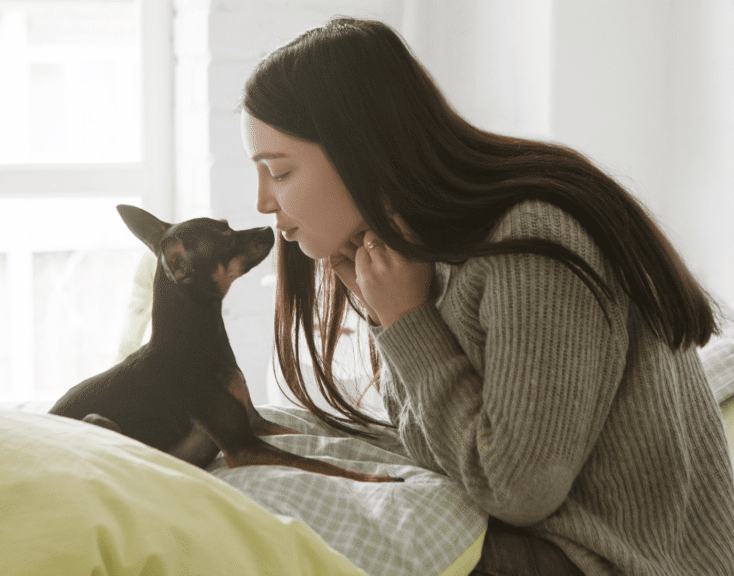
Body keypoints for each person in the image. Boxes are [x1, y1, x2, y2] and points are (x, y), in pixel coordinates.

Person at [240, 17, 734, 576]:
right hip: (548, 544)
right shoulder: (424, 259)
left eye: (277, 171)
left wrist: (407, 321)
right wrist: (391, 316)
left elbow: (516, 490)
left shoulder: (533, 242)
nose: (262, 202)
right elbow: (447, 457)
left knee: (276, 512)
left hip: (614, 562)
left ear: (358, 147)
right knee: (256, 467)